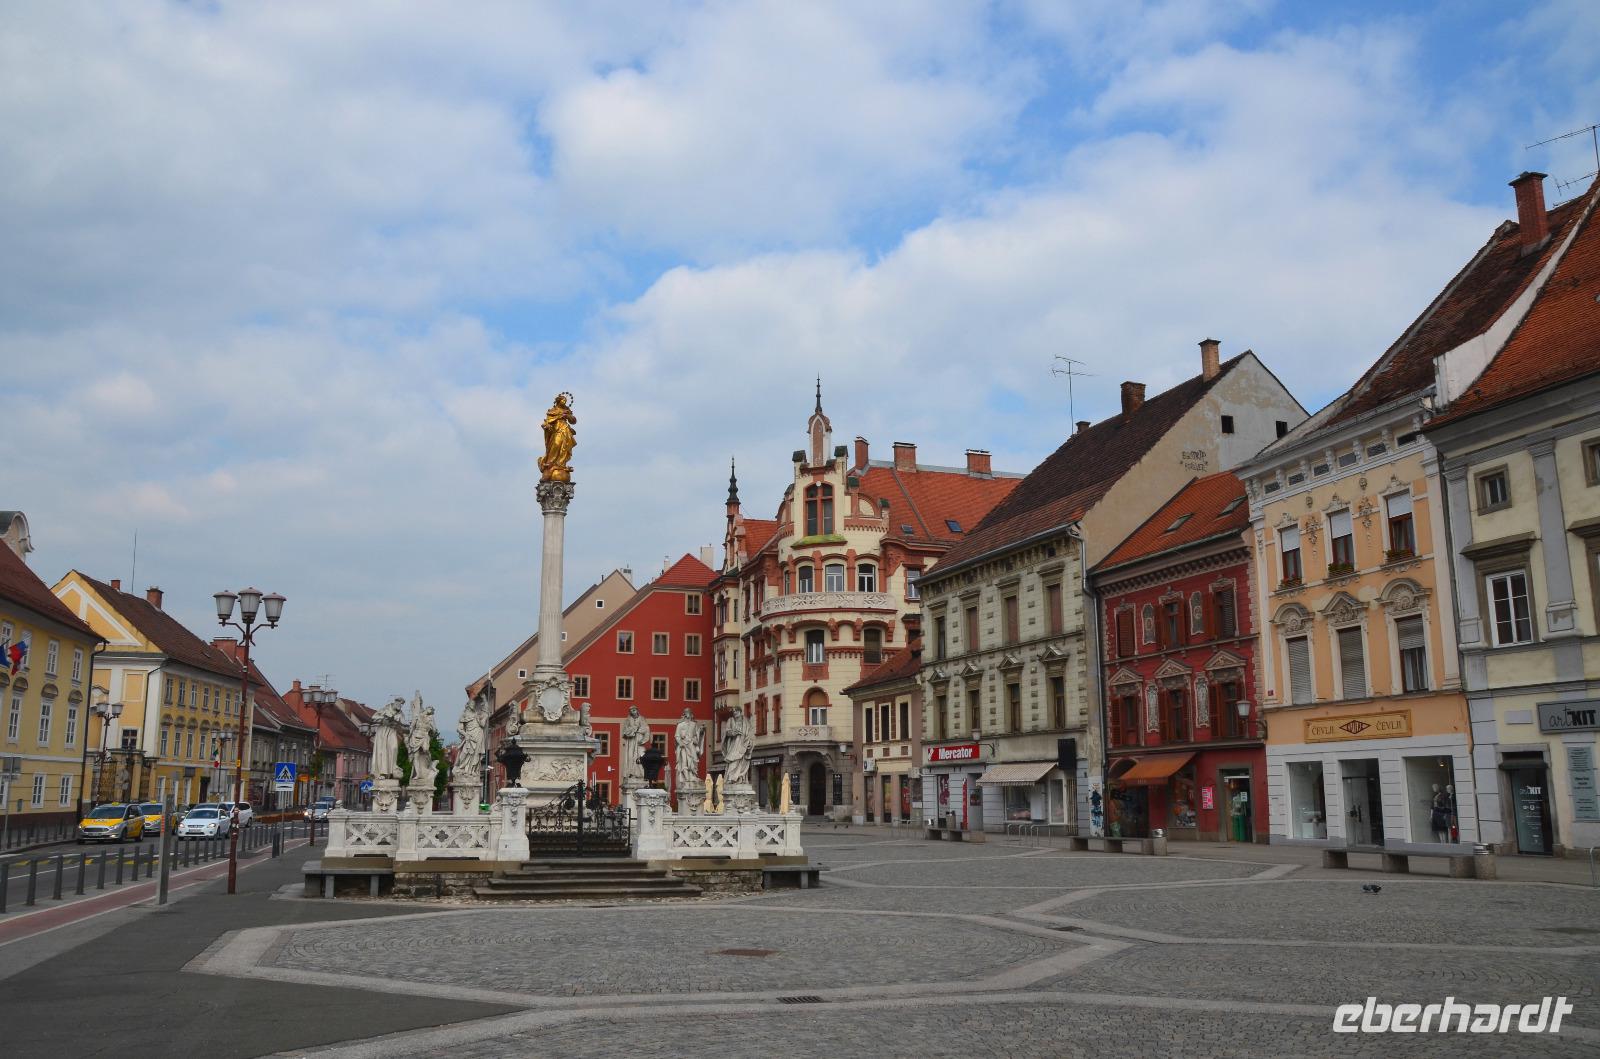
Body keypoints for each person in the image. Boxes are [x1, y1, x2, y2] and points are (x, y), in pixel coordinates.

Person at [538, 393, 577, 481]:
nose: (564, 402)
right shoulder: (553, 410)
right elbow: (547, 422)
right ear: (558, 401)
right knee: (556, 444)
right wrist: (547, 426)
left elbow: (574, 421)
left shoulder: (567, 410)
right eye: (563, 400)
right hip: (556, 431)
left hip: (565, 430)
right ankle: (550, 464)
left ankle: (561, 464)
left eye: (565, 401)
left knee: (564, 447)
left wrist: (567, 416)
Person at [620, 706, 649, 785]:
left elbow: (646, 729)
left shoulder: (642, 719)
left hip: (639, 741)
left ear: (637, 710)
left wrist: (643, 740)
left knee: (640, 756)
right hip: (631, 741)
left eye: (634, 710)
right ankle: (631, 773)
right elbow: (624, 731)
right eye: (631, 710)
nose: (633, 711)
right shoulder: (628, 720)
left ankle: (641, 775)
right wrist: (631, 730)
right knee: (630, 757)